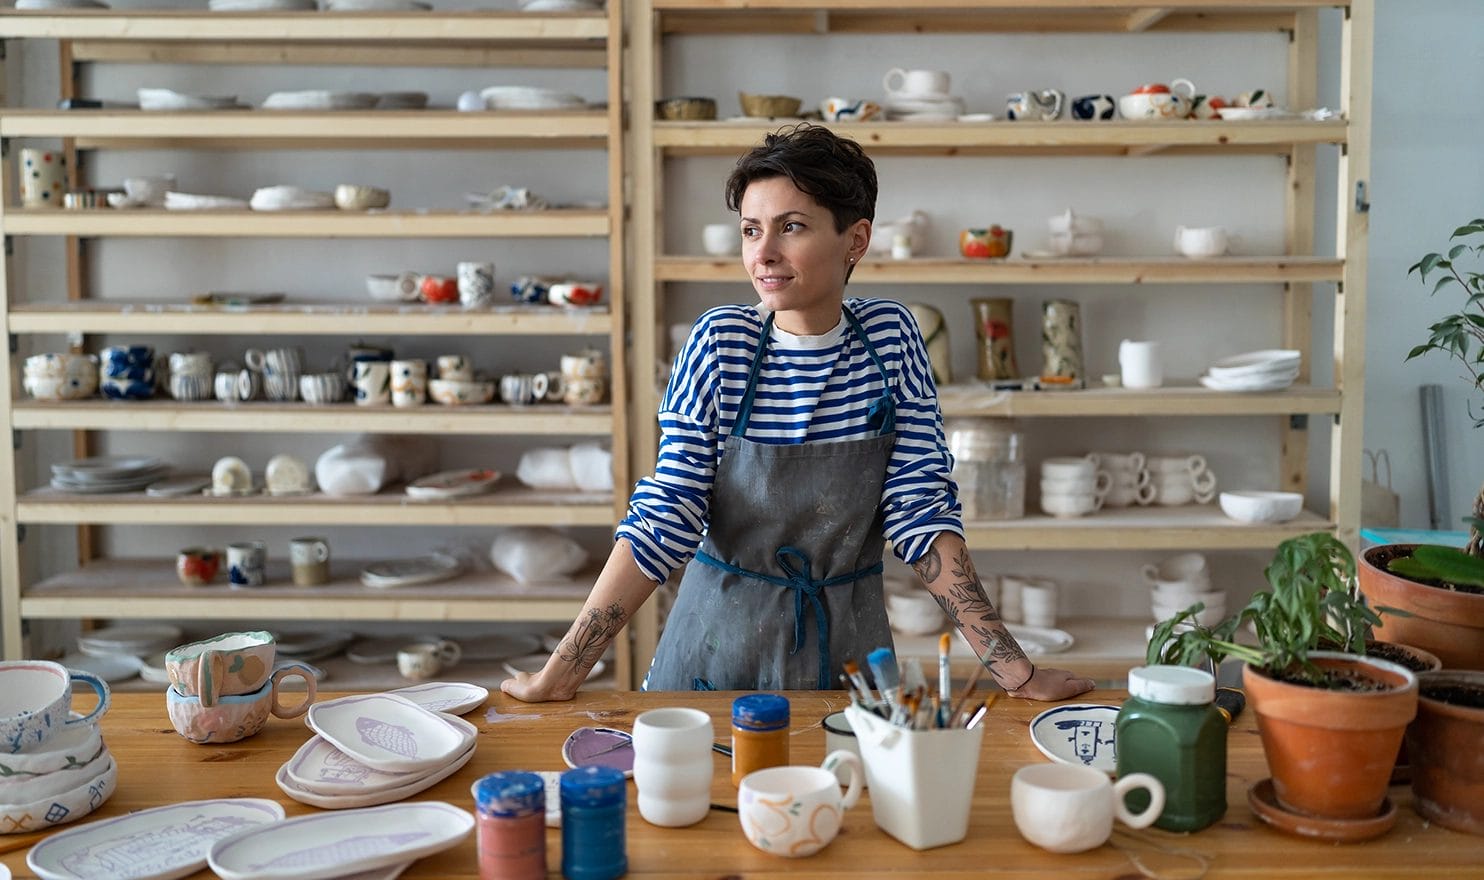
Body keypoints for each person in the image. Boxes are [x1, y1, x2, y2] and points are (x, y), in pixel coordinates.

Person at [503, 124, 1095, 703]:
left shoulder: (890, 339)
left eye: (791, 227)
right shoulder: (719, 344)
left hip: (849, 653)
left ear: (855, 240)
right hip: (716, 655)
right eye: (751, 230)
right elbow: (666, 520)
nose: (763, 253)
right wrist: (561, 674)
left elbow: (921, 515)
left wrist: (1014, 670)